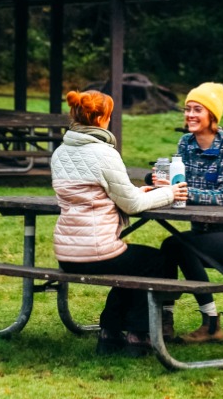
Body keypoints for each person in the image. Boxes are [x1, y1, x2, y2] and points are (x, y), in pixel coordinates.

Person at [51, 89, 189, 356]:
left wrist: (140, 191)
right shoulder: (103, 153)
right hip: (96, 251)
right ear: (103, 117)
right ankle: (139, 335)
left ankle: (110, 332)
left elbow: (102, 194)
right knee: (154, 262)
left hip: (67, 253)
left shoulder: (60, 153)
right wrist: (171, 193)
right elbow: (132, 206)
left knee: (131, 264)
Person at [158, 82, 223, 344]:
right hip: (201, 232)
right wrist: (159, 185)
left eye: (197, 109)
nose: (190, 115)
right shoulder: (186, 143)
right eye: (187, 109)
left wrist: (182, 192)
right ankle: (165, 318)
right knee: (170, 246)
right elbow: (177, 182)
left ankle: (211, 325)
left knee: (181, 246)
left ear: (212, 115)